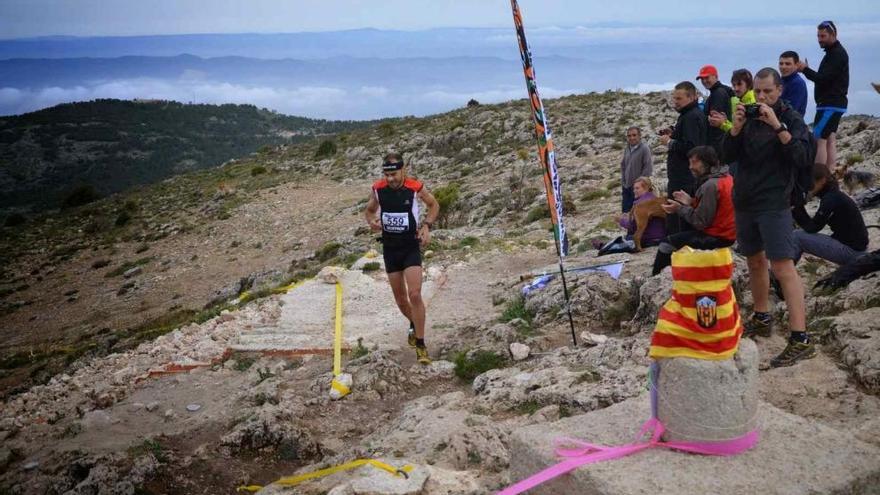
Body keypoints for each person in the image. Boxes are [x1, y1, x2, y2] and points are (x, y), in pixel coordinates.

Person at [722, 67, 815, 368]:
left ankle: (800, 337)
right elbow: (726, 156)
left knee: (783, 266)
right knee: (754, 259)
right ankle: (762, 317)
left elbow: (802, 158)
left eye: (767, 92)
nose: (761, 97)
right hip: (745, 199)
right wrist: (734, 129)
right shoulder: (747, 116)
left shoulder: (790, 118)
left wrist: (777, 126)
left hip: (774, 202)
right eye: (758, 92)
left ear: (779, 91)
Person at [363, 152, 440, 365]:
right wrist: (372, 222)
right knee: (400, 300)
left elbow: (434, 205)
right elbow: (369, 211)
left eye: (394, 174)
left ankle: (421, 345)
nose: (390, 179)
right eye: (387, 175)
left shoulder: (415, 187)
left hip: (410, 247)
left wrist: (426, 226)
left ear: (403, 170)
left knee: (415, 294)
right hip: (390, 249)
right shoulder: (378, 190)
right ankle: (414, 324)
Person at [651, 146, 736, 275]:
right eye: (690, 162)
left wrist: (679, 208)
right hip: (728, 233)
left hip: (717, 236)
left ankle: (657, 279)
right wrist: (691, 201)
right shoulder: (727, 178)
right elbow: (716, 209)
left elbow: (700, 221)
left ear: (706, 162)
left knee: (667, 243)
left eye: (694, 162)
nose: (690, 167)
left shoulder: (710, 185)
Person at [791, 162, 868, 265]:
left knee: (797, 236)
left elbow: (813, 228)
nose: (808, 186)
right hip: (856, 247)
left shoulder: (830, 199)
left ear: (822, 180)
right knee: (798, 235)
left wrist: (796, 208)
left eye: (810, 182)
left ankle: (781, 275)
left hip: (852, 252)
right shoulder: (833, 193)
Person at [798, 20, 849, 171]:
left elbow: (823, 79)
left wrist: (805, 69)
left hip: (830, 104)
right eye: (818, 36)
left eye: (823, 36)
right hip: (835, 104)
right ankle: (830, 173)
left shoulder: (837, 55)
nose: (820, 39)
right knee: (829, 139)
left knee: (819, 139)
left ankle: (818, 177)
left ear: (833, 35)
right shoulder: (834, 53)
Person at [659, 81, 707, 235]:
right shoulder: (688, 116)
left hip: (684, 178)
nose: (675, 102)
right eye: (674, 98)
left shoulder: (690, 117)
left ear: (692, 97)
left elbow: (691, 147)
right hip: (684, 176)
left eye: (679, 99)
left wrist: (670, 142)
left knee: (679, 221)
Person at [697, 64, 734, 154]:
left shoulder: (718, 93)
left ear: (716, 77)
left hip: (718, 146)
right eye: (702, 79)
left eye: (707, 77)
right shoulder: (718, 92)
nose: (704, 81)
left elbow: (715, 123)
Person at [619, 176, 665, 247]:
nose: (634, 191)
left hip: (649, 239)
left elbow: (633, 227)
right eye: (634, 188)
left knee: (621, 241)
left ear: (646, 188)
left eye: (637, 188)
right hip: (661, 237)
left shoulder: (642, 204)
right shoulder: (654, 198)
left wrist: (620, 220)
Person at [620, 127, 653, 213]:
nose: (631, 138)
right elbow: (623, 165)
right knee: (626, 212)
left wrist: (640, 184)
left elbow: (648, 168)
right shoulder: (627, 149)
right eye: (629, 136)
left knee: (638, 213)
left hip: (639, 188)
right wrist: (623, 181)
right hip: (626, 187)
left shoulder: (644, 149)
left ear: (639, 136)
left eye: (634, 135)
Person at [779, 51, 808, 116]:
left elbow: (791, 110)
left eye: (787, 64)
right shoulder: (779, 81)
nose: (783, 67)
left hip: (791, 124)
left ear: (796, 65)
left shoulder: (797, 83)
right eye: (781, 63)